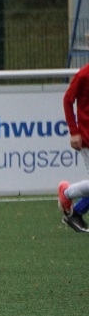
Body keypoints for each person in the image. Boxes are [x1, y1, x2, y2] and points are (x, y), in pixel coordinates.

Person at [57, 63, 89, 233]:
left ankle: (75, 212)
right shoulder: (84, 75)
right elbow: (67, 100)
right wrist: (74, 132)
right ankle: (67, 195)